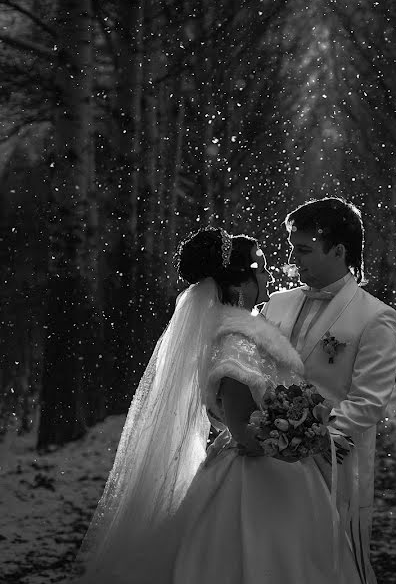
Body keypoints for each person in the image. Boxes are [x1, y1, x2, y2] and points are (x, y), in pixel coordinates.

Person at [75, 226, 361, 584]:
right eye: (260, 267)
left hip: (278, 475)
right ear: (238, 284)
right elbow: (245, 432)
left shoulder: (249, 338)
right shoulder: (234, 346)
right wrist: (315, 440)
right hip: (256, 485)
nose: (268, 273)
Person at [261, 197, 396, 584]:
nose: (293, 259)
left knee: (334, 562)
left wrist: (312, 436)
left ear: (338, 251)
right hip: (269, 462)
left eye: (303, 250)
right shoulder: (276, 303)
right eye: (292, 247)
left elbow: (370, 400)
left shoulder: (375, 317)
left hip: (335, 463)